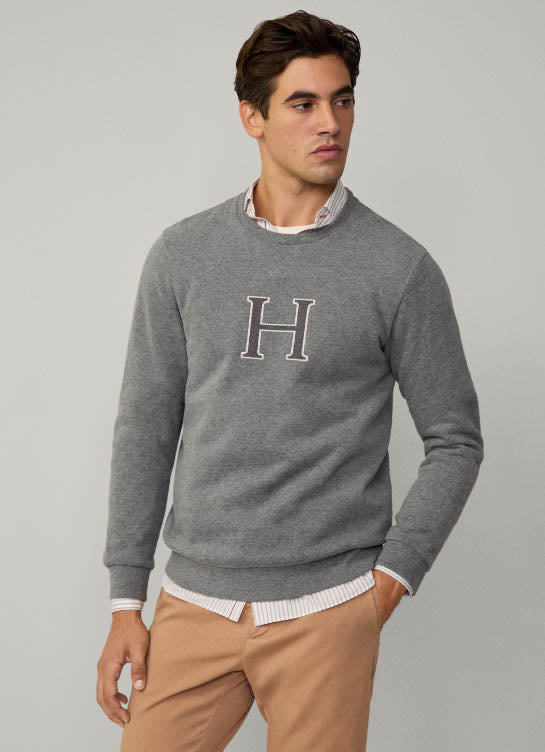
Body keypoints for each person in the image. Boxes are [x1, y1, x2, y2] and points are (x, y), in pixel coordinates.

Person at [96, 9, 484, 751]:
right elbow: (145, 425)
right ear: (253, 117)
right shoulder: (182, 255)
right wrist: (124, 600)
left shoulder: (397, 268)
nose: (329, 122)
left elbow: (455, 439)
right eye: (302, 103)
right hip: (192, 602)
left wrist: (387, 584)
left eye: (342, 100)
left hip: (327, 609)